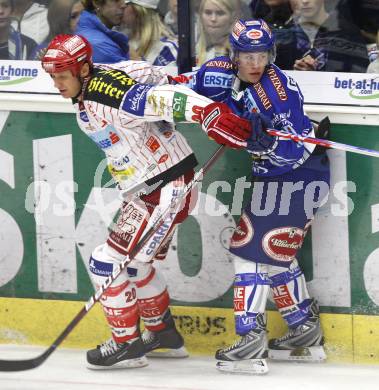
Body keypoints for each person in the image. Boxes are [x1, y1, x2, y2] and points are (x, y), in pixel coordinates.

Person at [41, 33, 251, 369]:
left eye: (62, 76)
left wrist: (207, 112)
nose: (57, 84)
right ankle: (162, 333)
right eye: (53, 77)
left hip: (166, 188)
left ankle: (126, 344)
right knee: (136, 266)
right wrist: (195, 83)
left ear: (82, 69)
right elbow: (161, 77)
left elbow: (158, 98)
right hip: (150, 189)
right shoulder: (109, 74)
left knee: (106, 263)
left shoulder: (106, 93)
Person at [183, 19, 330, 374]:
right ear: (234, 55)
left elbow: (293, 149)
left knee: (247, 253)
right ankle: (303, 328)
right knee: (274, 254)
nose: (255, 63)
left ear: (271, 54)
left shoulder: (274, 93)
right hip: (281, 177)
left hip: (296, 175)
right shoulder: (221, 70)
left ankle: (250, 339)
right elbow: (189, 88)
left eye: (262, 55)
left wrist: (267, 141)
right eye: (247, 55)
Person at [274, 0, 369, 72]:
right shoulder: (280, 36)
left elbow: (356, 82)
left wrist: (317, 75)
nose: (305, 1)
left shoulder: (347, 34)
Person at [120, 0, 178, 66]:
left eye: (125, 4)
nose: (120, 7)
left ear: (137, 11)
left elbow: (172, 76)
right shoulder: (123, 39)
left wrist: (138, 63)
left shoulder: (166, 48)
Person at [195, 0, 240, 65]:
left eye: (220, 13)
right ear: (201, 15)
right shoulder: (190, 49)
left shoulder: (241, 51)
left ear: (232, 17)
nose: (213, 19)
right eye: (208, 13)